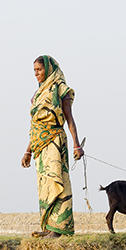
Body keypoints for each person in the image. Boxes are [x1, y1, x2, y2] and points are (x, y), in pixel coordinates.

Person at [21, 55, 83, 237]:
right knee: (45, 186)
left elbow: (69, 119)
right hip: (40, 146)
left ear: (48, 69)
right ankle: (48, 228)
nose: (36, 74)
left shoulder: (60, 89)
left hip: (55, 141)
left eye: (39, 70)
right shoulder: (38, 94)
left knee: (58, 181)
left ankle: (60, 229)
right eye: (34, 70)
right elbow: (36, 126)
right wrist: (28, 151)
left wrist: (76, 145)